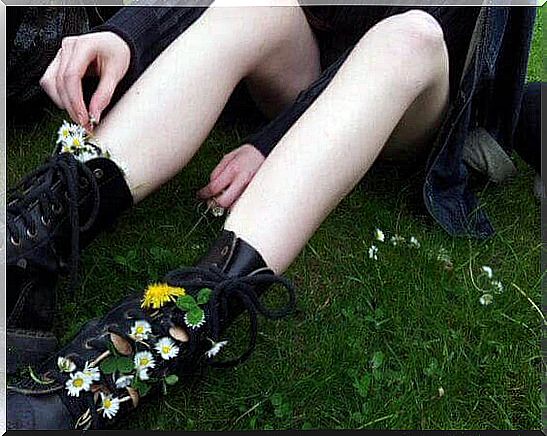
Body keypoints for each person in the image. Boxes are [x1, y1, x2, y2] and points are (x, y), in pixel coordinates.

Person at [6, 3, 534, 430]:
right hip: (303, 60)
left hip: (412, 96)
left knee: (410, 35)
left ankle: (163, 338)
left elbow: (449, 30)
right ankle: (32, 248)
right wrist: (126, 36)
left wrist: (273, 140)